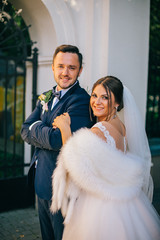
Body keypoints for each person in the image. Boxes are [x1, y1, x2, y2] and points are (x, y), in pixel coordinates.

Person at [50, 76, 160, 240]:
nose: (97, 102)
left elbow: (76, 168)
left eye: (105, 97)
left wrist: (65, 129)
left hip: (100, 207)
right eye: (94, 95)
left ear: (117, 103)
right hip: (127, 203)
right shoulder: (121, 126)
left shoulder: (99, 130)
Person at [20, 44, 94, 240]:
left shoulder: (81, 100)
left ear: (80, 70)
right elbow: (24, 129)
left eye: (72, 67)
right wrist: (41, 129)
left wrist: (36, 128)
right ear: (53, 67)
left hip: (63, 188)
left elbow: (57, 140)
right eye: (60, 66)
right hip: (42, 182)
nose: (65, 72)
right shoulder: (46, 96)